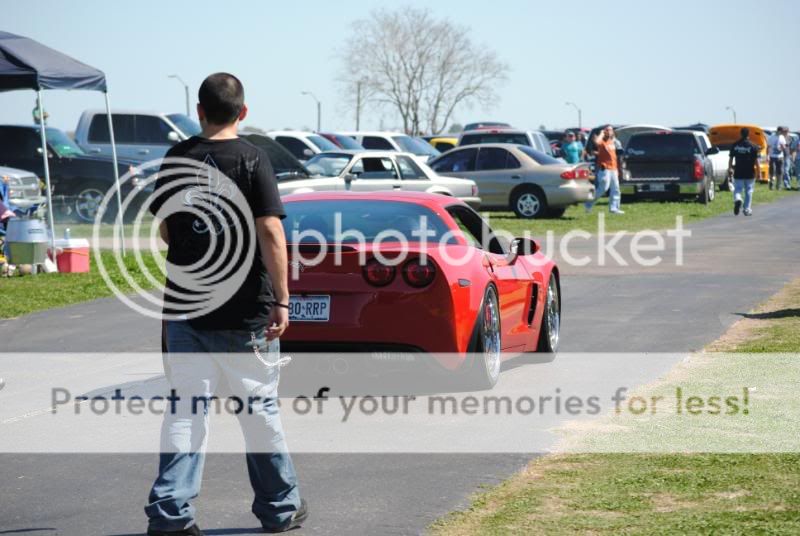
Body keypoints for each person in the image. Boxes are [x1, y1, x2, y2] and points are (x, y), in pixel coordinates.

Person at [145, 73, 307, 536]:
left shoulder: (177, 157)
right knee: (259, 415)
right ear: (243, 112)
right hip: (245, 313)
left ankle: (170, 515)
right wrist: (282, 299)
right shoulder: (254, 158)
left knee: (184, 413)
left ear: (199, 110)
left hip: (184, 308)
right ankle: (279, 509)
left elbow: (167, 230)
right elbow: (271, 232)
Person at [584, 125, 623, 214]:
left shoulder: (612, 141)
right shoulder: (601, 141)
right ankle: (588, 203)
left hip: (613, 168)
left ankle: (614, 208)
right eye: (608, 130)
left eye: (611, 130)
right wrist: (601, 133)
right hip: (605, 168)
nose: (610, 131)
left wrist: (618, 169)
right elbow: (597, 142)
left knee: (616, 189)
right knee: (603, 188)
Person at [727, 127, 761, 216]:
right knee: (749, 191)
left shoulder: (735, 145)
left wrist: (730, 168)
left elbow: (731, 158)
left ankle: (738, 199)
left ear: (741, 134)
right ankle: (747, 209)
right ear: (748, 134)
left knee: (737, 189)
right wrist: (759, 172)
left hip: (738, 172)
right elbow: (756, 161)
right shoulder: (754, 146)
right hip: (750, 173)